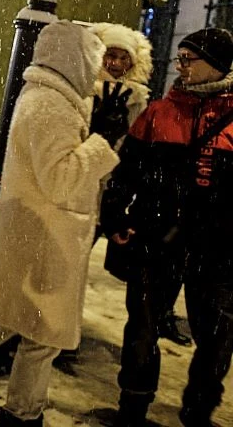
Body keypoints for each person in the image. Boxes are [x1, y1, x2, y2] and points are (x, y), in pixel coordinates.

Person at [0, 20, 122, 427]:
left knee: (8, 319)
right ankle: (21, 414)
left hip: (38, 234)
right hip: (42, 237)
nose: (97, 68)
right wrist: (103, 140)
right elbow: (61, 178)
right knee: (41, 336)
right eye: (94, 58)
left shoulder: (49, 99)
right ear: (75, 58)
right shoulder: (48, 104)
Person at [101, 27, 233, 427]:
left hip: (218, 248)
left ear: (217, 64)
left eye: (189, 59)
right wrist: (115, 217)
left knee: (216, 339)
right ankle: (133, 407)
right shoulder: (159, 112)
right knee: (143, 327)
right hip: (156, 238)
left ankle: (198, 412)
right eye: (180, 58)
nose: (181, 66)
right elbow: (127, 173)